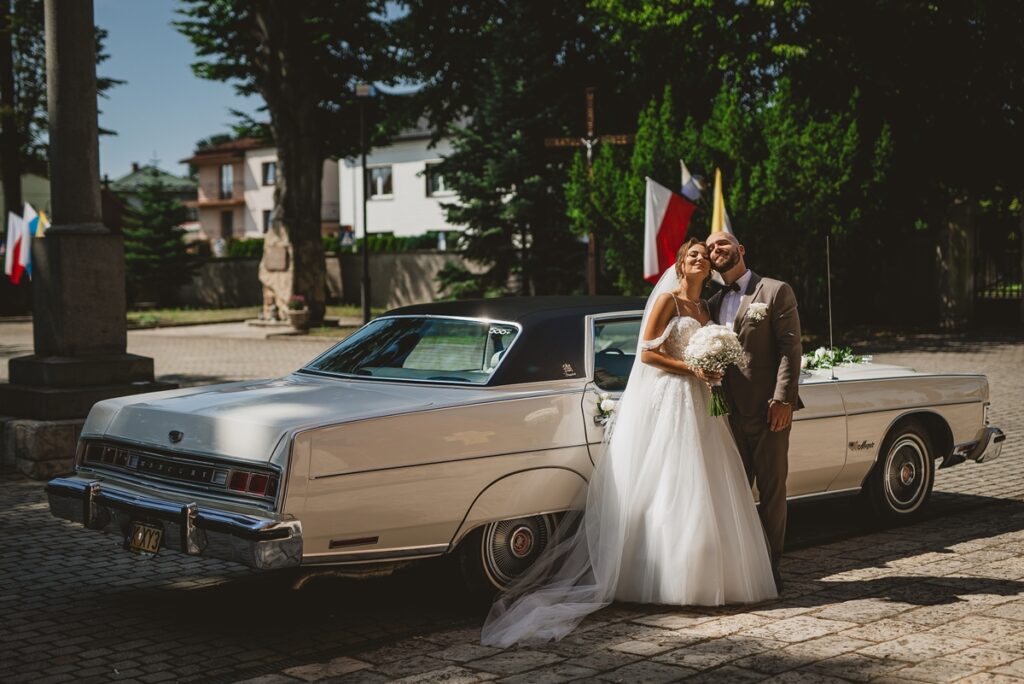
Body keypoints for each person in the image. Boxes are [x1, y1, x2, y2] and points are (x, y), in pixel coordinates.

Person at [480, 238, 777, 648]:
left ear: (709, 268)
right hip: (672, 397)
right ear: (680, 264)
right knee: (671, 481)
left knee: (706, 482)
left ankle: (708, 574)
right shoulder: (668, 301)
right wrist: (692, 368)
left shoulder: (704, 307)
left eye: (703, 256)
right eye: (691, 255)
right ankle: (660, 577)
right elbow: (647, 353)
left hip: (701, 400)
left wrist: (712, 369)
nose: (699, 259)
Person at [705, 231, 802, 593]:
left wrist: (783, 399)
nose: (716, 250)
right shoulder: (712, 302)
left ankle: (770, 570)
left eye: (722, 243)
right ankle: (741, 569)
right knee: (734, 493)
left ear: (740, 249)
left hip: (768, 410)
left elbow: (790, 349)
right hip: (727, 414)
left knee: (772, 491)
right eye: (711, 248)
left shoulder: (774, 291)